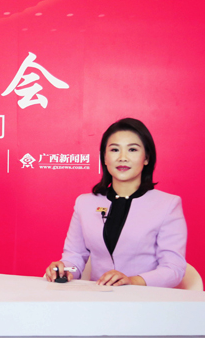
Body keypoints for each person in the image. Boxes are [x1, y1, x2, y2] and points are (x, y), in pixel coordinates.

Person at [44, 118, 186, 287]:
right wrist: (64, 269)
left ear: (146, 158)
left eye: (132, 149)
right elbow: (75, 257)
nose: (122, 158)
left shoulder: (167, 204)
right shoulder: (85, 203)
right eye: (114, 150)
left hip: (144, 298)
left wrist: (132, 281)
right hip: (98, 297)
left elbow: (174, 269)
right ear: (104, 158)